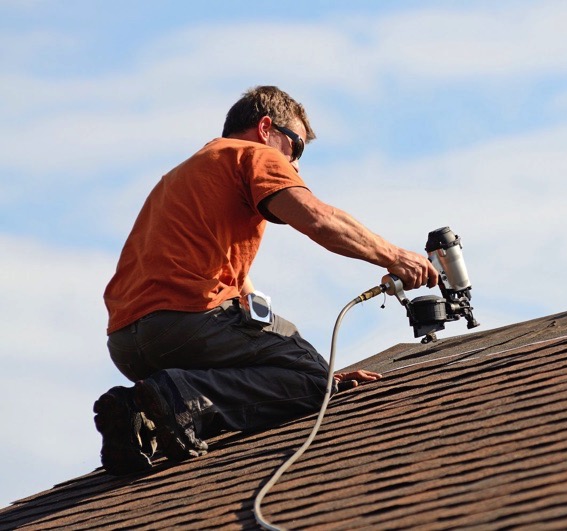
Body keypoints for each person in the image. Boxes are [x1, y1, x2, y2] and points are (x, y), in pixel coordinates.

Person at [95, 85, 438, 475]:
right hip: (187, 321)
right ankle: (179, 396)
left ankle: (141, 420)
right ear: (265, 128)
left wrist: (304, 369)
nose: (295, 164)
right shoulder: (253, 154)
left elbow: (242, 298)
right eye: (296, 147)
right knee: (314, 383)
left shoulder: (183, 175)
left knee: (301, 368)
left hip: (127, 343)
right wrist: (395, 257)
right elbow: (318, 220)